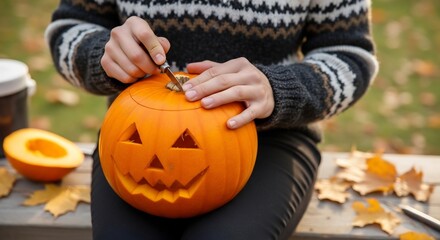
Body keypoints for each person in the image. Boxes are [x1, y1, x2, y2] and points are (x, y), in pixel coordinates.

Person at [46, 0, 378, 239]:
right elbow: (69, 29)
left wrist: (279, 89)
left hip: (270, 137)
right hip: (135, 137)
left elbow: (350, 55)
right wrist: (102, 53)